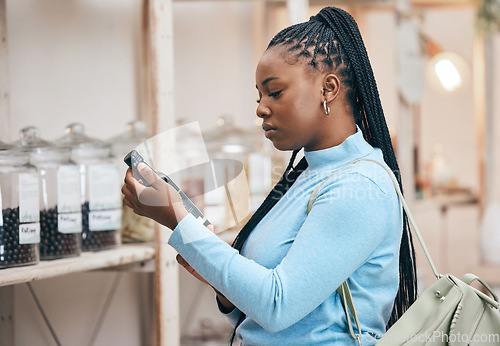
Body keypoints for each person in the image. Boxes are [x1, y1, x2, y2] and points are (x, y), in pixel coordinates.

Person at [122, 6, 417, 345]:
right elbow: (272, 303)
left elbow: (278, 305)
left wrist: (177, 218)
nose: (260, 108)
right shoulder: (307, 174)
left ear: (329, 88)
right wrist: (226, 289)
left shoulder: (359, 186)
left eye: (275, 92)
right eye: (259, 96)